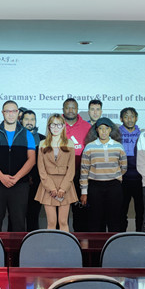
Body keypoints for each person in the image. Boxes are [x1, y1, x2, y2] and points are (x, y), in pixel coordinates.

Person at [0, 100, 36, 232]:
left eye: (13, 111)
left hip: (20, 185)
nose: (11, 114)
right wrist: (1, 177)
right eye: (7, 111)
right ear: (3, 113)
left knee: (18, 224)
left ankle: (17, 247)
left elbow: (31, 160)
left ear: (18, 113)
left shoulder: (27, 134)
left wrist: (16, 178)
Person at [80, 117, 127, 232]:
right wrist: (84, 192)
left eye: (106, 128)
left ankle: (113, 243)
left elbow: (124, 167)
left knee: (114, 220)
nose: (104, 131)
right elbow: (84, 170)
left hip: (114, 186)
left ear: (111, 130)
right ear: (96, 130)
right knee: (95, 220)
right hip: (95, 187)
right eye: (101, 128)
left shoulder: (118, 146)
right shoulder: (89, 147)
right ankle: (96, 244)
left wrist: (113, 175)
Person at [35, 114, 77, 232]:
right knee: (51, 222)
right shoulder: (43, 144)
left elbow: (71, 169)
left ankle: (66, 243)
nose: (56, 128)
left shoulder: (70, 143)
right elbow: (41, 169)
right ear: (49, 126)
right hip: (48, 185)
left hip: (65, 185)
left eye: (59, 125)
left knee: (63, 222)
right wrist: (51, 188)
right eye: (53, 124)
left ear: (63, 126)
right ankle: (50, 243)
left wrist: (63, 188)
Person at [63, 97, 92, 231]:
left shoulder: (87, 126)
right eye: (67, 107)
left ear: (77, 109)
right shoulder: (57, 125)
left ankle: (80, 241)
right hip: (61, 175)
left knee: (80, 213)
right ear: (63, 109)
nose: (70, 110)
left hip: (81, 175)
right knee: (61, 213)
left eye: (73, 107)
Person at [119, 107, 143, 231]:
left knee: (141, 211)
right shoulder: (115, 134)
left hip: (140, 179)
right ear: (121, 119)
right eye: (126, 117)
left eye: (132, 116)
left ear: (136, 118)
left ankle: (141, 236)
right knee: (121, 211)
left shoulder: (143, 135)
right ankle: (121, 237)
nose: (129, 119)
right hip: (122, 179)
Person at [21, 109, 44, 231]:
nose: (30, 122)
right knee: (16, 217)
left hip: (37, 183)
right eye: (26, 119)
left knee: (33, 216)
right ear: (21, 121)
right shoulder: (15, 137)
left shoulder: (43, 139)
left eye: (32, 119)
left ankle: (33, 241)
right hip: (18, 183)